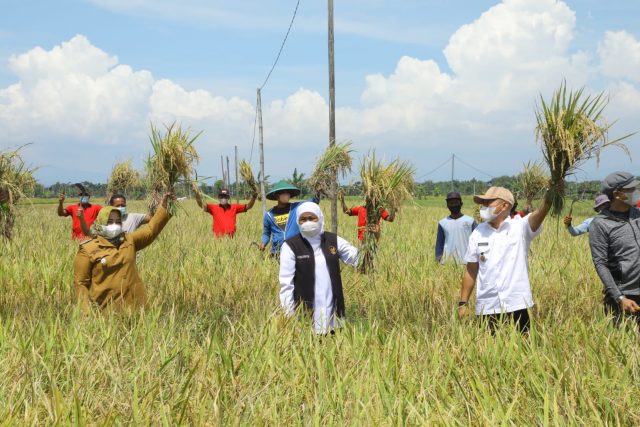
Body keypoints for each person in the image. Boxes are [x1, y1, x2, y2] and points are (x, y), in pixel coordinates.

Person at [457, 183, 559, 333]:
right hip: (487, 307)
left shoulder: (520, 227)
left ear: (504, 205)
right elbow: (471, 271)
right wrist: (463, 303)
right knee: (487, 351)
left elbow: (540, 214)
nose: (483, 207)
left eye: (488, 203)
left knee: (522, 351)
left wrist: (552, 193)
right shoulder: (478, 233)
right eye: (483, 203)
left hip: (517, 305)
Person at [73, 192, 174, 313]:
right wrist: (86, 314)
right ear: (100, 223)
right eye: (110, 222)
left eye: (118, 221)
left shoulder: (129, 240)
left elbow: (150, 230)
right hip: (105, 312)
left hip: (135, 308)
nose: (115, 225)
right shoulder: (88, 249)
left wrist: (164, 206)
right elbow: (81, 284)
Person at [279, 202, 358, 334]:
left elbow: (358, 259)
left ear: (320, 218)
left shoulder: (333, 240)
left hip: (334, 316)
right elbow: (286, 284)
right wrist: (289, 316)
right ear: (298, 222)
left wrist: (373, 239)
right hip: (305, 319)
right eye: (303, 219)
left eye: (312, 218)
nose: (308, 222)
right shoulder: (291, 246)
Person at [588, 172, 640, 326]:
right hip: (624, 297)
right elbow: (600, 263)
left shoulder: (637, 215)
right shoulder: (601, 224)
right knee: (623, 345)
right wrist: (620, 298)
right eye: (632, 189)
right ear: (617, 194)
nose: (636, 191)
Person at [260, 180, 319, 256]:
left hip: (295, 250)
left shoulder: (296, 208)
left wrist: (318, 191)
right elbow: (266, 233)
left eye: (288, 193)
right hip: (277, 252)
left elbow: (312, 202)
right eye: (284, 193)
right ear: (277, 196)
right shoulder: (269, 215)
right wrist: (263, 242)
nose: (287, 195)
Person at [78, 194, 151, 237]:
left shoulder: (133, 217)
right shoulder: (104, 221)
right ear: (111, 206)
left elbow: (152, 218)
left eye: (123, 205)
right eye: (118, 205)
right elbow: (88, 233)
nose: (121, 207)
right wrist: (81, 218)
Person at [435, 192, 477, 264]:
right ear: (447, 205)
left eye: (456, 202)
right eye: (451, 203)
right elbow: (439, 243)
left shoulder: (470, 221)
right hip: (447, 263)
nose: (454, 205)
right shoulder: (442, 223)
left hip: (467, 262)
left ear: (461, 204)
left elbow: (477, 241)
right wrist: (438, 258)